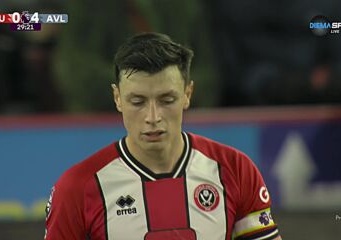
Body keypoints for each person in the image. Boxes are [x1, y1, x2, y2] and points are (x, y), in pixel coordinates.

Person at [44, 32, 281, 240]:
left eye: (167, 100)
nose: (152, 116)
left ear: (188, 93)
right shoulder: (77, 188)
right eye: (137, 102)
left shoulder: (236, 170)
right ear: (117, 98)